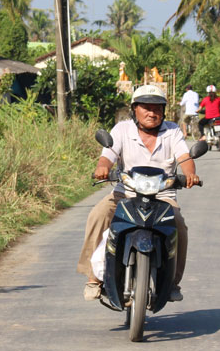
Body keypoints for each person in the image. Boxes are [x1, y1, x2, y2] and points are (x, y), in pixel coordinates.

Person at [77, 84, 201, 302]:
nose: (152, 112)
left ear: (163, 111)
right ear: (135, 109)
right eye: (146, 107)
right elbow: (108, 155)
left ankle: (172, 282)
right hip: (125, 194)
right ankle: (93, 278)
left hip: (163, 196)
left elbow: (184, 158)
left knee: (179, 226)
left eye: (157, 108)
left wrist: (190, 173)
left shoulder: (172, 131)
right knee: (98, 215)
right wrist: (102, 168)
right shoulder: (122, 130)